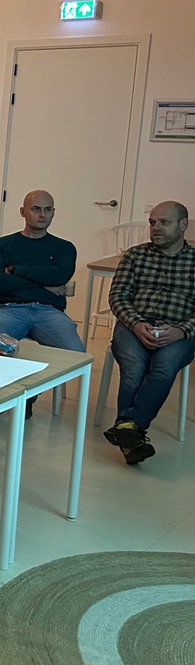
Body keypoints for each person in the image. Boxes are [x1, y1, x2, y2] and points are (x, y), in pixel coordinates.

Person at [102, 200, 195, 466]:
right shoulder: (135, 255)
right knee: (133, 369)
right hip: (133, 326)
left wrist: (181, 331)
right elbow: (118, 296)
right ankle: (131, 433)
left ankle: (127, 427)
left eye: (164, 222)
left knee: (163, 369)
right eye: (152, 222)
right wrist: (135, 323)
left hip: (177, 330)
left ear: (183, 225)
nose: (156, 228)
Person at [0, 190, 84, 418]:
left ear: (54, 212)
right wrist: (45, 283)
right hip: (10, 309)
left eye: (47, 210)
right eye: (36, 209)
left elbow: (61, 275)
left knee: (76, 354)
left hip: (49, 311)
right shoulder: (2, 245)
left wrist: (16, 270)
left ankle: (28, 392)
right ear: (23, 212)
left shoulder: (64, 247)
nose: (42, 215)